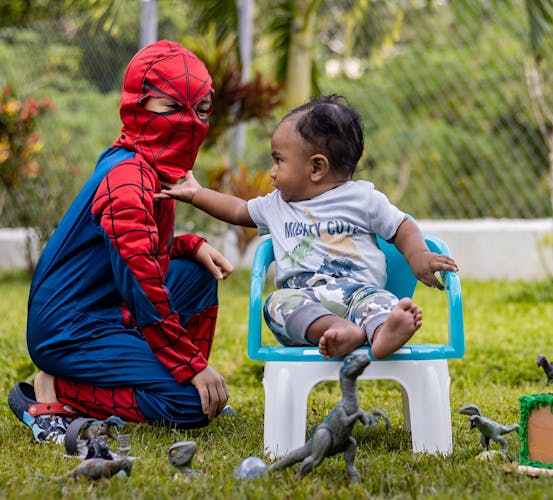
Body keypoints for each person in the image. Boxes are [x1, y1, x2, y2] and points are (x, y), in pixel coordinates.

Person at [8, 40, 232, 444]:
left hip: (109, 308)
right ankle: (58, 389)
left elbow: (136, 247)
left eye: (200, 110)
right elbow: (141, 280)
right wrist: (191, 365)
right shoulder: (129, 177)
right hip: (72, 329)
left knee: (197, 276)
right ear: (137, 105)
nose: (189, 122)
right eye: (169, 107)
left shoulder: (141, 163)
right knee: (185, 406)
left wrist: (188, 246)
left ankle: (172, 384)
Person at [160, 94, 458, 360]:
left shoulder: (363, 198)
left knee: (384, 302)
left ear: (316, 167)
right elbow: (238, 210)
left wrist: (418, 256)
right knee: (276, 305)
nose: (272, 172)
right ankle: (341, 332)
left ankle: (383, 334)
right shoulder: (276, 204)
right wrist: (196, 195)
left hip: (359, 294)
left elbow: (401, 226)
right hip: (304, 298)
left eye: (278, 161)